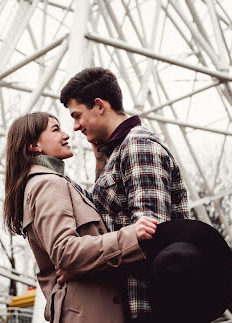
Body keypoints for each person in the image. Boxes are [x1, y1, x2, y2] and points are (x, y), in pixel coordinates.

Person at [60, 67, 189, 323]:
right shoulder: (118, 153)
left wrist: (83, 268)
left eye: (77, 115)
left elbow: (153, 239)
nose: (74, 127)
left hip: (147, 307)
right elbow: (110, 218)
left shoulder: (139, 146)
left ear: (99, 105)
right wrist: (100, 163)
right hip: (129, 304)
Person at [4, 112, 158, 323]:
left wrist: (100, 163)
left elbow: (94, 223)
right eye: (55, 130)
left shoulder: (48, 183)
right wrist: (131, 237)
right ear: (34, 146)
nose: (66, 135)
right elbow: (65, 251)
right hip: (90, 311)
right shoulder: (48, 184)